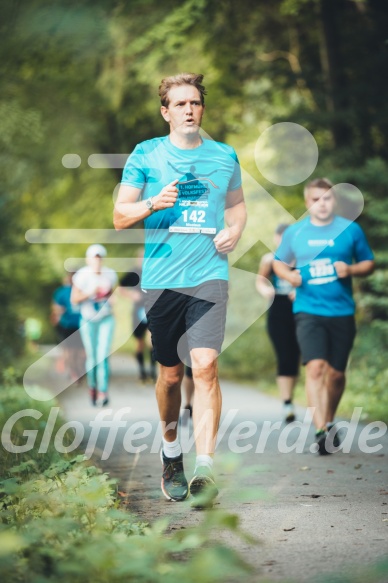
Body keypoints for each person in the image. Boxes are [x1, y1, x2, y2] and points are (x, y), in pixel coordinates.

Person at [114, 72, 246, 506]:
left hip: (210, 275)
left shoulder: (225, 156)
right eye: (181, 104)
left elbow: (237, 208)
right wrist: (155, 202)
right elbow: (120, 217)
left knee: (204, 367)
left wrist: (235, 232)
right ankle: (172, 455)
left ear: (202, 109)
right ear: (166, 112)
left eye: (196, 103)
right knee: (170, 376)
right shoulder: (146, 154)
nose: (190, 110)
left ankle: (204, 469)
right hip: (162, 281)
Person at [273, 178, 374, 454]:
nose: (322, 203)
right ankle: (321, 431)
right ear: (308, 203)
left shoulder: (350, 230)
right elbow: (277, 263)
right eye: (316, 199)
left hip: (342, 311)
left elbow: (368, 263)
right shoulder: (295, 232)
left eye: (327, 198)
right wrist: (289, 275)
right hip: (308, 311)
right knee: (315, 368)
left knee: (337, 375)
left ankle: (329, 421)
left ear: (334, 201)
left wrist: (351, 271)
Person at [256, 224, 300, 423]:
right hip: (278, 309)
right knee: (284, 355)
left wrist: (301, 291)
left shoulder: (303, 258)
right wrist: (266, 290)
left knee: (297, 356)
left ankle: (294, 399)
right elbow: (260, 280)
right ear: (276, 238)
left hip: (301, 308)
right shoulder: (269, 259)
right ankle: (287, 403)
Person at [71, 244, 118, 407]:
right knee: (92, 356)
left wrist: (112, 299)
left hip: (106, 318)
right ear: (88, 259)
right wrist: (90, 292)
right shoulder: (81, 276)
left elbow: (112, 293)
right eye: (94, 258)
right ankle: (92, 387)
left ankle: (103, 392)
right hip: (88, 319)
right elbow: (74, 300)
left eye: (99, 258)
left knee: (103, 354)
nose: (97, 261)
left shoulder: (110, 274)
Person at [119, 250, 157, 382]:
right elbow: (120, 287)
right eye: (141, 257)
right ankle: (142, 372)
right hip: (138, 311)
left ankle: (153, 371)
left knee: (152, 340)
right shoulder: (134, 273)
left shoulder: (154, 271)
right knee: (139, 342)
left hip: (152, 309)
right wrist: (131, 295)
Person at [51, 273, 85, 383]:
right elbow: (56, 308)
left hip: (82, 325)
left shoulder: (83, 289)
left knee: (80, 351)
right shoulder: (61, 292)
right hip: (67, 325)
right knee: (70, 351)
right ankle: (73, 371)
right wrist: (60, 310)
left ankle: (79, 371)